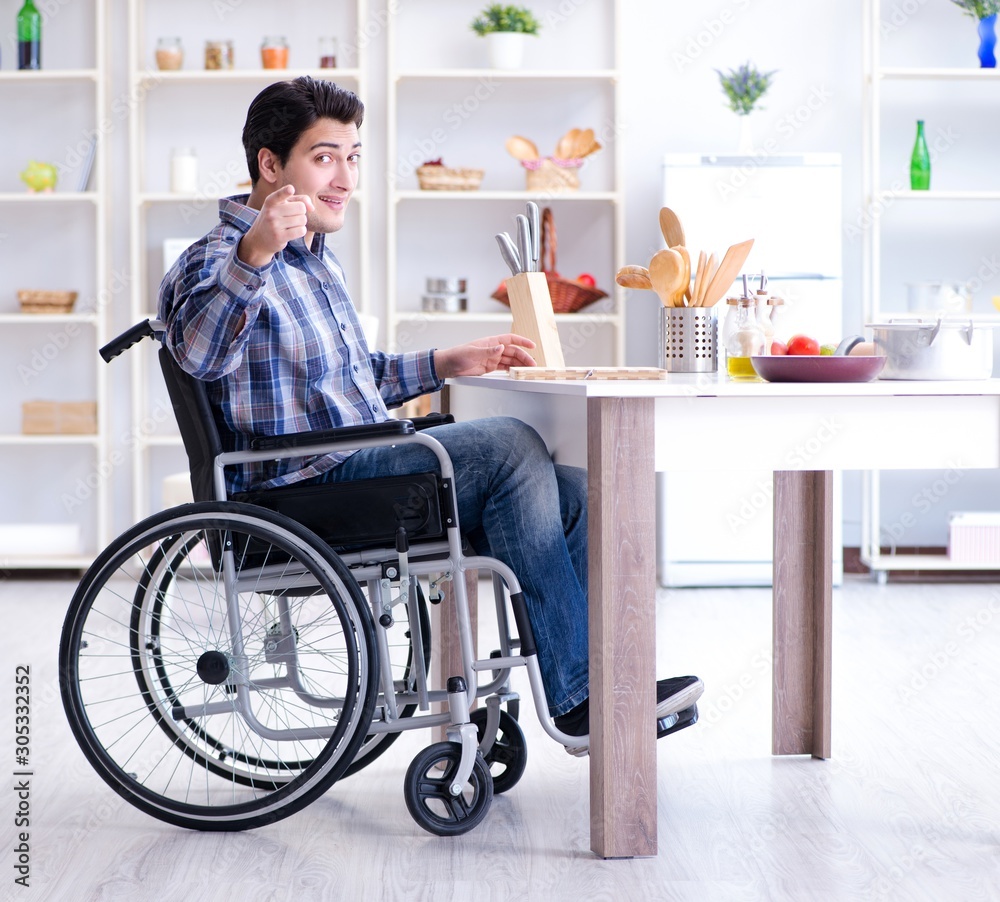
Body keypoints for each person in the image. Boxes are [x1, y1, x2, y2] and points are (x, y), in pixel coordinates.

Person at [158, 76, 702, 756]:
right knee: (511, 446)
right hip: (299, 496)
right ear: (270, 165)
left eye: (354, 158)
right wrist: (254, 255)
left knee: (571, 492)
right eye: (325, 157)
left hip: (355, 466)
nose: (345, 178)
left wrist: (448, 360)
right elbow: (199, 353)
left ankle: (597, 687)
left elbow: (353, 384)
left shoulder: (314, 264)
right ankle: (578, 699)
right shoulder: (215, 259)